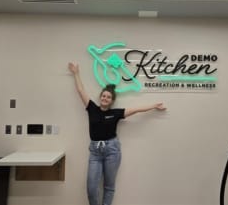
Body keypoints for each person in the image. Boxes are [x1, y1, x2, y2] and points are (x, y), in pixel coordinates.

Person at [68, 62, 166, 205]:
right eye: (103, 96)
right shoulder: (92, 108)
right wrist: (76, 73)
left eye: (108, 97)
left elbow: (136, 110)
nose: (105, 98)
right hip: (95, 152)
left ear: (112, 101)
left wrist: (153, 106)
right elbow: (81, 91)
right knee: (91, 188)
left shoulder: (115, 113)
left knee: (109, 187)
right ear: (100, 97)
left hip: (112, 151)